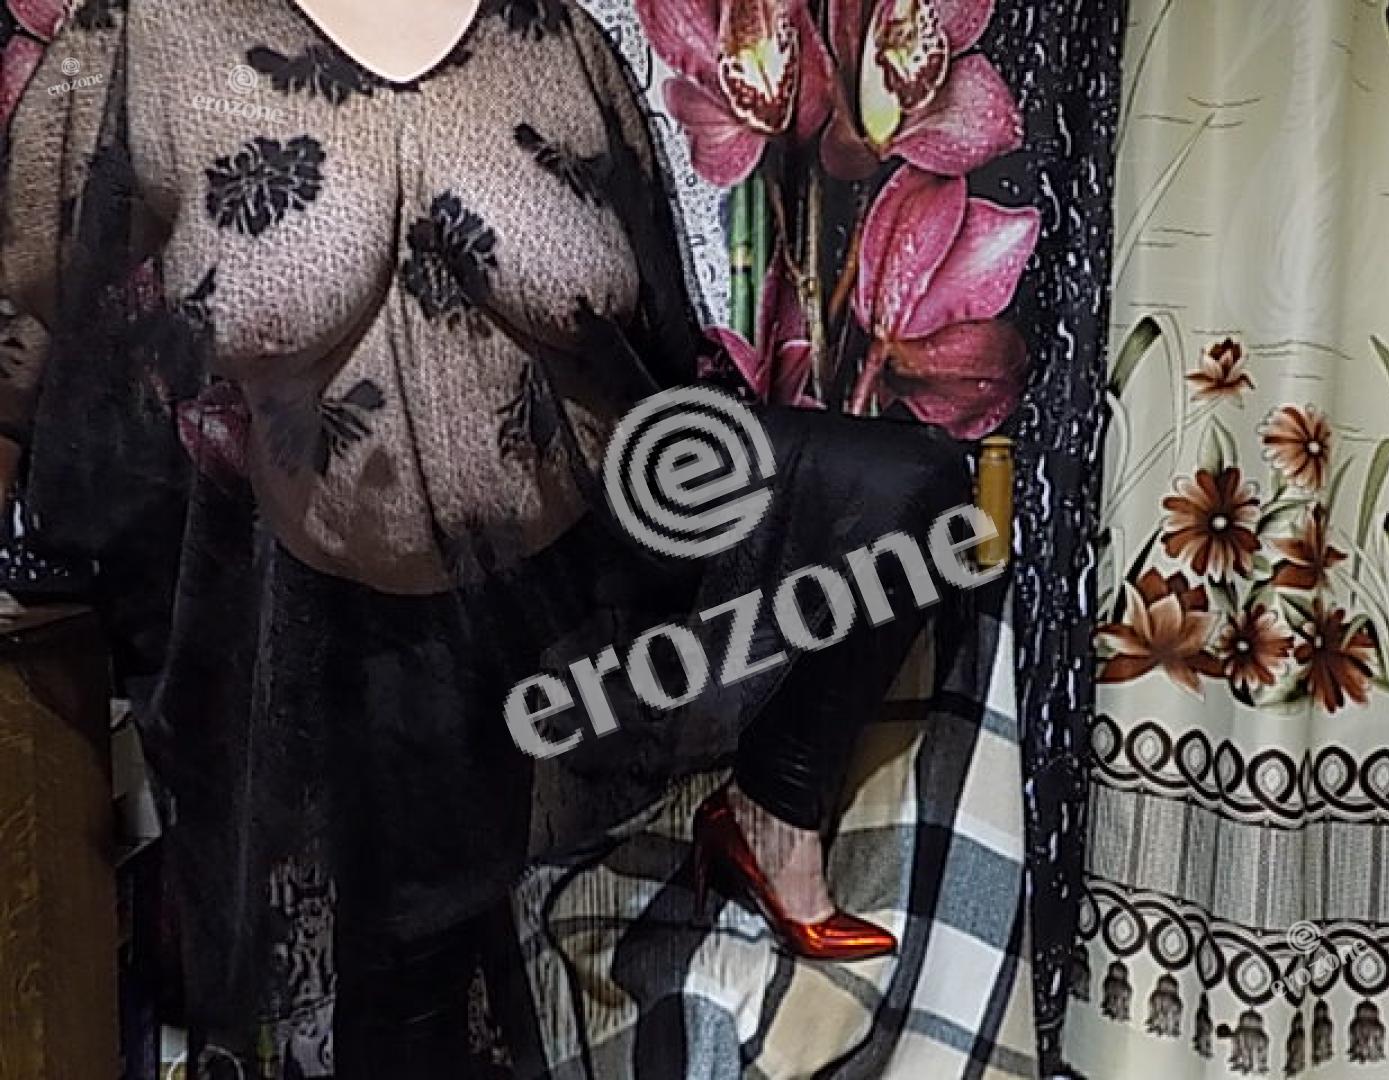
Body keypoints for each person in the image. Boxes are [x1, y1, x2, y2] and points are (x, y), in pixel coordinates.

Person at [0, 0, 973, 1072]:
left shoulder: (550, 35)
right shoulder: (156, 35)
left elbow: (652, 322)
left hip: (603, 539)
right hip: (385, 620)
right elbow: (30, 312)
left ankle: (770, 816)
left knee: (910, 493)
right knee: (414, 993)